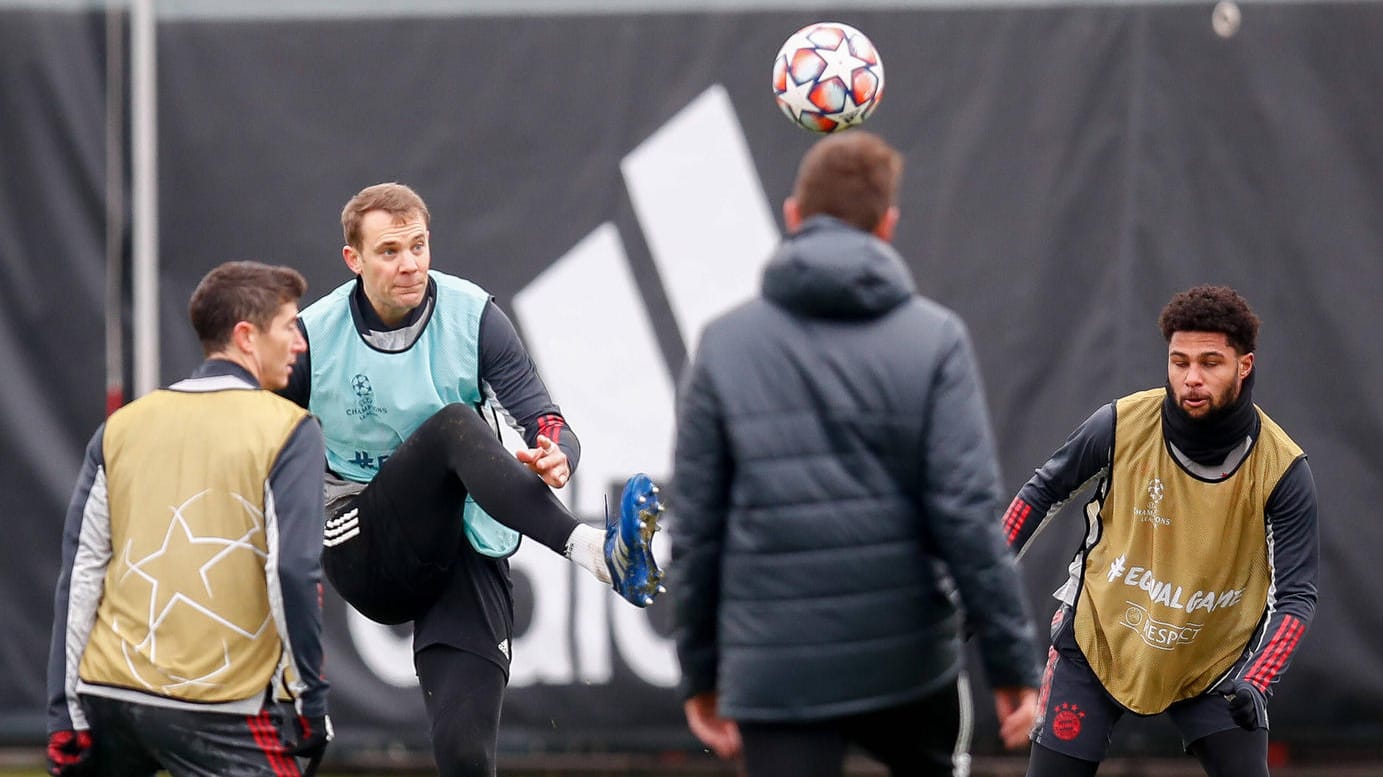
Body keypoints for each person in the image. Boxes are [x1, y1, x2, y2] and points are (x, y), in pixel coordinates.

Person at [670, 130, 1042, 777]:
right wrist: (1011, 664)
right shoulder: (936, 339)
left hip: (775, 671)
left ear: (792, 215)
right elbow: (967, 517)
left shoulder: (723, 343)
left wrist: (700, 672)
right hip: (906, 663)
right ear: (887, 225)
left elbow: (696, 532)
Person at [278, 181, 662, 777]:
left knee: (465, 753)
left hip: (459, 549)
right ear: (353, 260)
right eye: (389, 251)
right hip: (362, 543)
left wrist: (557, 457)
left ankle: (600, 554)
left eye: (419, 246)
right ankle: (594, 549)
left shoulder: (473, 316)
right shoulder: (310, 338)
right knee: (454, 425)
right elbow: (254, 453)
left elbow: (549, 423)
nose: (409, 265)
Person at [1002, 285, 1318, 777]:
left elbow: (1297, 596)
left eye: (1210, 362)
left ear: (1244, 365)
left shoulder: (1282, 468)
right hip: (1100, 641)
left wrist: (1256, 681)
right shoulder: (1120, 424)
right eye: (1179, 361)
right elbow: (1039, 494)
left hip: (1215, 663)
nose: (1192, 378)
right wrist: (982, 583)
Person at [46, 261, 331, 777]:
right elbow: (292, 571)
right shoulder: (290, 429)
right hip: (221, 706)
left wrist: (63, 709)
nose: (300, 344)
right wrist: (310, 699)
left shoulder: (122, 426)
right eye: (289, 326)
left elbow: (81, 574)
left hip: (107, 697)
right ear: (247, 336)